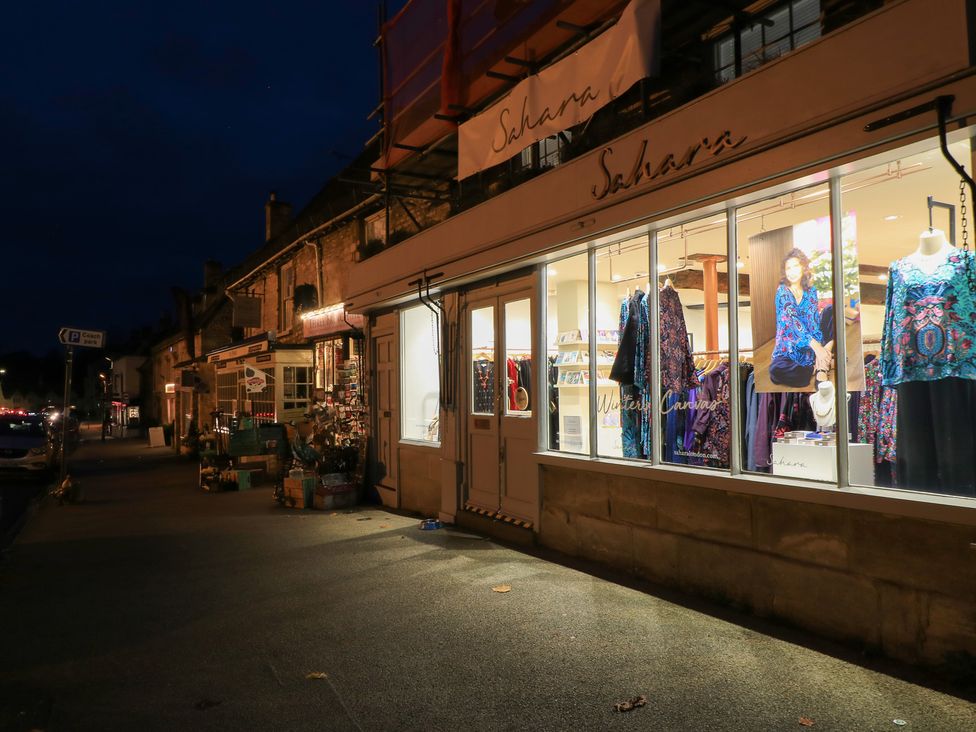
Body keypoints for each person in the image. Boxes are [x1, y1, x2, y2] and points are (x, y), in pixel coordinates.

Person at [769, 248, 834, 387]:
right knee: (776, 371)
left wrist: (822, 349)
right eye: (788, 268)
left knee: (832, 311)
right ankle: (821, 364)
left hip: (813, 342)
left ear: (803, 268)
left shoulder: (811, 291)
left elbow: (813, 322)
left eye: (795, 266)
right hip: (789, 346)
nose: (791, 272)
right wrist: (817, 348)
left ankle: (823, 362)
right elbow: (793, 322)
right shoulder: (782, 291)